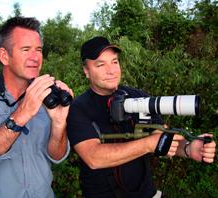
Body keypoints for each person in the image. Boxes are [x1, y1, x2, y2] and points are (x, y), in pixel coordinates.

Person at [67, 36, 216, 198]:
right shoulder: (78, 108)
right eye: (101, 64)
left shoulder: (138, 97)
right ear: (86, 71)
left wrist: (188, 148)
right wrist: (148, 144)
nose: (111, 70)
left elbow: (162, 137)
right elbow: (93, 158)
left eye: (115, 62)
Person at [0, 16, 73, 198]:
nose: (35, 57)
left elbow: (57, 157)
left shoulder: (47, 96)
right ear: (4, 56)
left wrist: (58, 122)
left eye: (38, 49)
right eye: (26, 49)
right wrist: (23, 113)